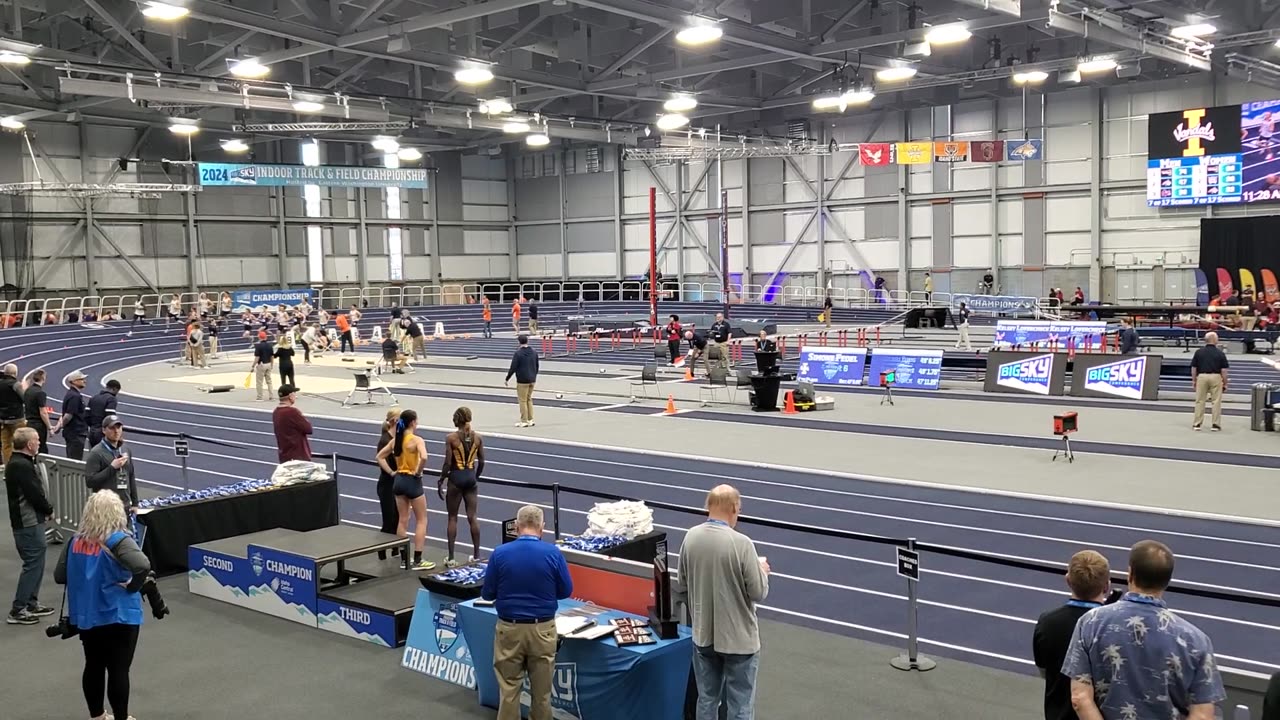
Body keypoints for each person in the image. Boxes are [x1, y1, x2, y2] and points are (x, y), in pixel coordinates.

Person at [1064, 540, 1225, 720]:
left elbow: (1080, 698)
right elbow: (1203, 715)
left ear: (1130, 573)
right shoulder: (1196, 640)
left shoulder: (1090, 622)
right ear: (1167, 581)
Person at [55, 490, 156, 720]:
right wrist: (132, 586)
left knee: (93, 665)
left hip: (88, 614)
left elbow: (60, 575)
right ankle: (121, 717)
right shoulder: (118, 539)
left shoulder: (75, 540)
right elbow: (142, 565)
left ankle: (97, 715)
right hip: (117, 613)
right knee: (119, 669)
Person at [679, 485, 769, 720]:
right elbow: (758, 592)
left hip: (704, 635)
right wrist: (762, 571)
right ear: (734, 509)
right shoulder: (742, 543)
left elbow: (682, 581)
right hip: (738, 639)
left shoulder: (691, 537)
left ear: (708, 506)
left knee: (707, 699)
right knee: (740, 705)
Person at [481, 504, 572, 720]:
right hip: (542, 630)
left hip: (509, 630)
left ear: (516, 526)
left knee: (509, 691)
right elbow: (566, 590)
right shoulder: (553, 553)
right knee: (542, 695)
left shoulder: (500, 553)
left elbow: (487, 594)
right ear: (543, 528)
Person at [1032, 550, 1112, 720]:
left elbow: (1044, 670)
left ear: (1068, 580)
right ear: (1106, 586)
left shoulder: (1047, 622)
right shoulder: (1114, 627)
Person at [5, 426, 55, 625]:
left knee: (37, 562)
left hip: (30, 521)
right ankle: (18, 609)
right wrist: (48, 509)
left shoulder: (18, 463)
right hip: (28, 522)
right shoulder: (21, 466)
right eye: (37, 440)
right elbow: (34, 494)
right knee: (33, 564)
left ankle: (31, 602)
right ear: (29, 444)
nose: (39, 442)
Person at [376, 410, 435, 570]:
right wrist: (417, 471)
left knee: (403, 520)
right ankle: (418, 559)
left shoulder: (396, 441)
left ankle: (403, 559)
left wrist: (391, 472)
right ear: (413, 423)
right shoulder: (416, 440)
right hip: (412, 481)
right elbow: (424, 457)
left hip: (398, 480)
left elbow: (379, 457)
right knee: (422, 520)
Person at [438, 406, 484, 567]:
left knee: (452, 517)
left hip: (456, 478)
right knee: (473, 517)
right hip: (470, 478)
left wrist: (441, 479)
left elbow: (447, 462)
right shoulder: (478, 438)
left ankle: (451, 558)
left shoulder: (451, 438)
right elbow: (482, 462)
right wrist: (475, 477)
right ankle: (477, 555)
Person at [85, 415, 139, 512]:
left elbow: (131, 476)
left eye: (118, 427)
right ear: (104, 430)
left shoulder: (126, 450)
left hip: (124, 506)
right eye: (112, 428)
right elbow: (90, 481)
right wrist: (112, 468)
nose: (116, 431)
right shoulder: (96, 453)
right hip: (106, 508)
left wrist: (135, 503)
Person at [375, 409, 401, 560]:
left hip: (396, 484)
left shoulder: (398, 438)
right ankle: (382, 550)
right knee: (389, 519)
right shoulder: (385, 440)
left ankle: (395, 549)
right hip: (387, 485)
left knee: (397, 518)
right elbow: (379, 459)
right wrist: (392, 472)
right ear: (395, 421)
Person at [1190, 331, 1228, 432]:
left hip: (1202, 376)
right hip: (1215, 376)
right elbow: (1224, 370)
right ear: (1215, 340)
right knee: (1216, 402)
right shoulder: (1220, 353)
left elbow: (1194, 368)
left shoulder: (1198, 352)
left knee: (1200, 401)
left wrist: (1194, 380)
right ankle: (1215, 424)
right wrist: (1225, 382)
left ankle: (1197, 424)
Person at [504, 335, 539, 428]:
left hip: (522, 380)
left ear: (519, 342)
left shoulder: (518, 353)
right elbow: (537, 365)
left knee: (522, 400)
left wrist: (507, 378)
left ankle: (524, 421)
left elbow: (513, 367)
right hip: (532, 379)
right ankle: (530, 419)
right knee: (529, 399)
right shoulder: (534, 352)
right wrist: (534, 376)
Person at [272, 385, 312, 463]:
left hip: (284, 456)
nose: (295, 396)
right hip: (298, 457)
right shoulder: (293, 412)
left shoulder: (276, 412)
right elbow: (308, 429)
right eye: (294, 393)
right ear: (290, 396)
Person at [55, 371, 91, 460]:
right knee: (75, 460)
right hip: (76, 433)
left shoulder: (72, 394)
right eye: (81, 379)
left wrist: (59, 426)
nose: (84, 381)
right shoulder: (75, 396)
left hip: (74, 433)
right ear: (74, 381)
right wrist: (60, 427)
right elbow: (68, 415)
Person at [0, 363, 26, 463]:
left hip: (3, 419)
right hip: (17, 419)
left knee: (6, 445)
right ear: (15, 373)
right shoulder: (16, 384)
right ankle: (21, 464)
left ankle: (8, 466)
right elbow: (24, 398)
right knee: (21, 443)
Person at [23, 369, 51, 455]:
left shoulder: (28, 391)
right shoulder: (40, 393)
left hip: (29, 423)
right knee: (41, 448)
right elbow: (43, 412)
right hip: (38, 424)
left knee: (30, 447)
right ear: (43, 378)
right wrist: (50, 427)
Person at [86, 380, 120, 449]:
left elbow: (86, 415)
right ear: (114, 389)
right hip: (102, 433)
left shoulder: (94, 398)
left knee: (93, 454)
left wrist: (93, 425)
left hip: (92, 431)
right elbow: (110, 417)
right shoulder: (111, 399)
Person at [251, 333, 276, 402]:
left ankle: (260, 397)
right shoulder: (270, 345)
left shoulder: (258, 346)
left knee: (259, 382)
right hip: (268, 363)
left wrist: (253, 365)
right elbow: (272, 356)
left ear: (259, 338)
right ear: (266, 337)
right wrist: (272, 364)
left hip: (261, 364)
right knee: (269, 381)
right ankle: (271, 396)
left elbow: (257, 357)